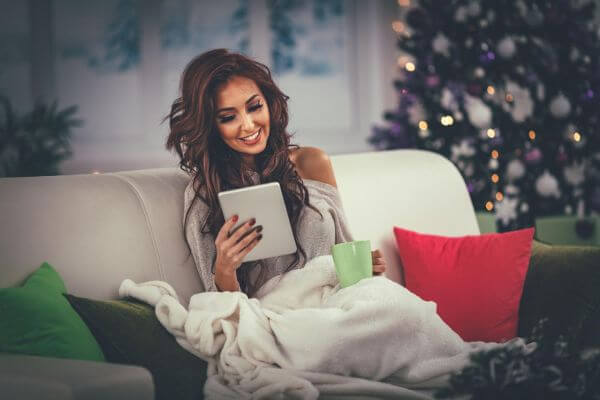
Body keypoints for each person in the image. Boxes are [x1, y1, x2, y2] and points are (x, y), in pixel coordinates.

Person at [165, 48, 386, 296]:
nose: (248, 125)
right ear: (211, 126)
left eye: (255, 107)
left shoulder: (312, 162)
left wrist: (367, 264)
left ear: (269, 103)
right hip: (280, 318)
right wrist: (225, 268)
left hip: (339, 303)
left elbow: (346, 250)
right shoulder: (205, 192)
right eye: (228, 117)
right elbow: (222, 306)